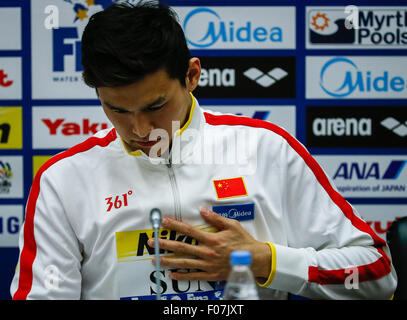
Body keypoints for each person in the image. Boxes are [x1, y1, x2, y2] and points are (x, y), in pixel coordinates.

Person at [11, 1, 396, 300]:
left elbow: (376, 273)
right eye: (117, 110)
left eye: (155, 106)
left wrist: (263, 260)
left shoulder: (266, 149)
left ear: (192, 75)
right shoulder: (64, 179)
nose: (140, 130)